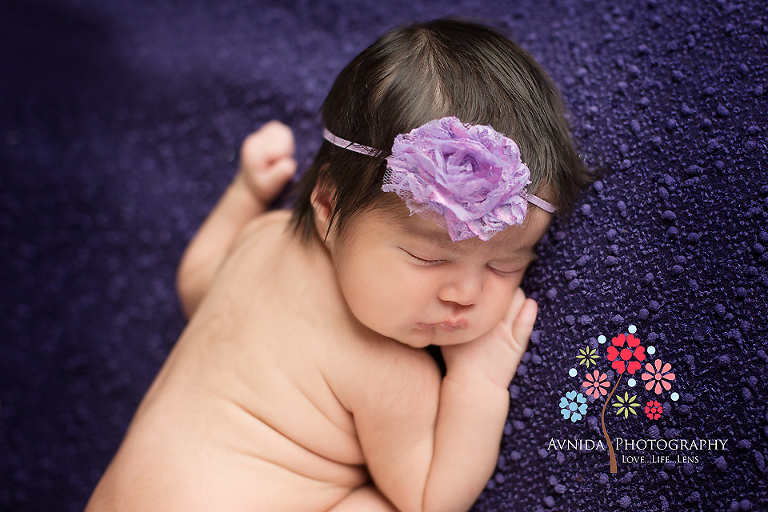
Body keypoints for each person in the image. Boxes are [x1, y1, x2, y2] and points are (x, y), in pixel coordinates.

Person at [85, 18, 592, 512]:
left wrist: (244, 195)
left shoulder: (262, 238)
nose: (464, 292)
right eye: (427, 256)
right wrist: (476, 383)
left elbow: (195, 285)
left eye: (504, 267)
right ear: (328, 204)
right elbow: (431, 499)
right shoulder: (393, 377)